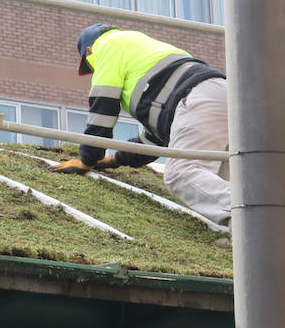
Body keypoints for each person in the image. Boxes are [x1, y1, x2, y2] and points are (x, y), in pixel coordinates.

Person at [53, 24, 232, 225]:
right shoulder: (144, 48)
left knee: (181, 172)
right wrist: (114, 159)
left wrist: (89, 159)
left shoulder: (107, 45)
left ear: (88, 51)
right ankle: (247, 240)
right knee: (223, 180)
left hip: (196, 99)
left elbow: (103, 107)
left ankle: (252, 218)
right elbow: (154, 140)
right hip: (224, 95)